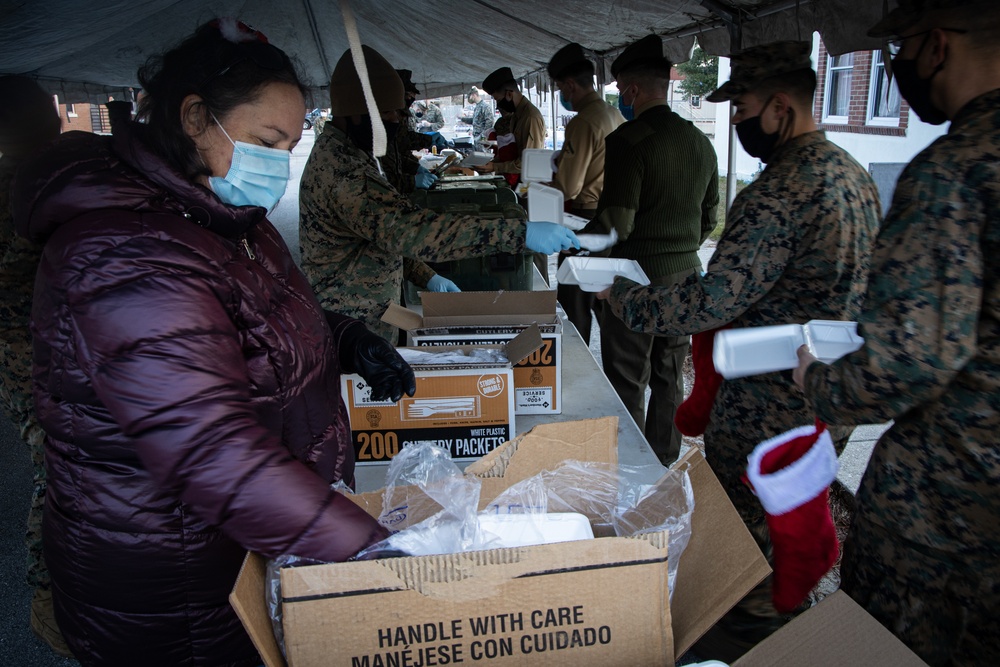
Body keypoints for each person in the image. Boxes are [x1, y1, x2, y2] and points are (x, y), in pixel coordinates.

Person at [11, 19, 418, 666]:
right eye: (266, 140)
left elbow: (255, 319)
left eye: (290, 143)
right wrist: (370, 548)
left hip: (235, 547)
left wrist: (345, 338)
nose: (278, 164)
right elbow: (207, 448)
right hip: (175, 583)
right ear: (195, 117)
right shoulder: (124, 251)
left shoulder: (220, 219)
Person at [599, 40, 881, 658]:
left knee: (744, 548)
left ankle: (743, 641)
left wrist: (626, 300)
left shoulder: (781, 192)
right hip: (826, 398)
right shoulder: (854, 175)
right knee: (790, 522)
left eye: (744, 107)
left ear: (781, 106)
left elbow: (712, 301)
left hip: (766, 407)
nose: (736, 120)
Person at [793, 2, 1000, 663]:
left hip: (946, 517)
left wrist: (818, 380)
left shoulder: (955, 169)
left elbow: (908, 358)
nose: (898, 64)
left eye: (899, 50)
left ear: (936, 46)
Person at [299, 45, 578, 343]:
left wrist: (425, 275)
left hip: (369, 320)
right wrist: (518, 233)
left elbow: (380, 235)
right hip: (353, 329)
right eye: (386, 112)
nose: (395, 119)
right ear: (355, 111)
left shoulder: (352, 153)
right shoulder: (343, 171)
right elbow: (409, 229)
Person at [589, 35, 720, 466]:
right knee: (669, 376)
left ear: (630, 90)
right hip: (686, 276)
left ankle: (628, 467)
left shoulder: (629, 140)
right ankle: (664, 463)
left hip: (635, 279)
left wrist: (584, 252)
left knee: (628, 378)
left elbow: (617, 223)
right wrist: (680, 251)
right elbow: (708, 217)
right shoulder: (700, 142)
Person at [0, 75, 70, 657]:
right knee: (58, 467)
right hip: (37, 353)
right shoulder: (38, 184)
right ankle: (50, 597)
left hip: (30, 352)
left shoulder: (33, 178)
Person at [546, 42, 625, 345]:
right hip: (611, 218)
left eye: (560, 89)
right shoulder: (613, 114)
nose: (562, 96)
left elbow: (570, 186)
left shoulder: (582, 123)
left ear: (569, 85)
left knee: (575, 303)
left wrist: (544, 190)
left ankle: (575, 370)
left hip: (582, 219)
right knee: (605, 301)